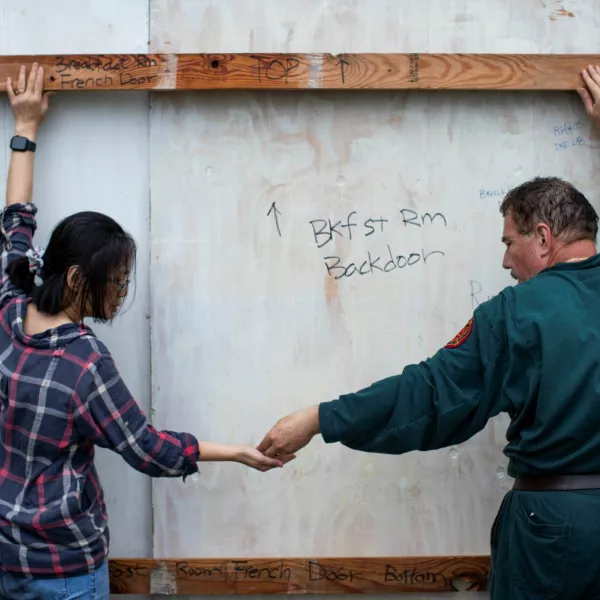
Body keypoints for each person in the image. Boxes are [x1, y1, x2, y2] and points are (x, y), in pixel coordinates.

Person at [258, 64, 600, 600]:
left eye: (509, 241)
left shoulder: (516, 312)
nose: (506, 260)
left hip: (552, 533)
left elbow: (430, 397)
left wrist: (320, 418)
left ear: (543, 236)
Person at [0, 63, 293, 600]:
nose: (121, 293)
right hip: (65, 571)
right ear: (74, 279)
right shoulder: (84, 362)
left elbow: (16, 222)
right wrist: (240, 453)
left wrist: (26, 126)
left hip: (7, 558)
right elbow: (149, 449)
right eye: (115, 280)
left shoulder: (10, 302)